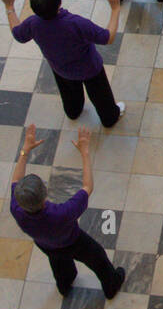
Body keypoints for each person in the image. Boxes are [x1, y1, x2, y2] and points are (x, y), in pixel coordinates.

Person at [10, 125, 125, 298]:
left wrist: (25, 150)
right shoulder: (62, 213)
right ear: (44, 194)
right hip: (74, 242)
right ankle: (111, 285)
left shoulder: (16, 208)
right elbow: (87, 187)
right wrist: (85, 152)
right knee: (98, 258)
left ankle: (65, 285)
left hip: (46, 246)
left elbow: (15, 180)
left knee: (59, 264)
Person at [2, 0, 124, 127]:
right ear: (59, 2)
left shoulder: (33, 24)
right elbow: (108, 37)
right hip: (90, 70)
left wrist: (9, 8)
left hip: (61, 70)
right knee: (102, 100)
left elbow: (18, 34)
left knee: (70, 98)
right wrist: (115, 9)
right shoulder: (76, 24)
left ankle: (73, 112)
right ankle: (110, 118)